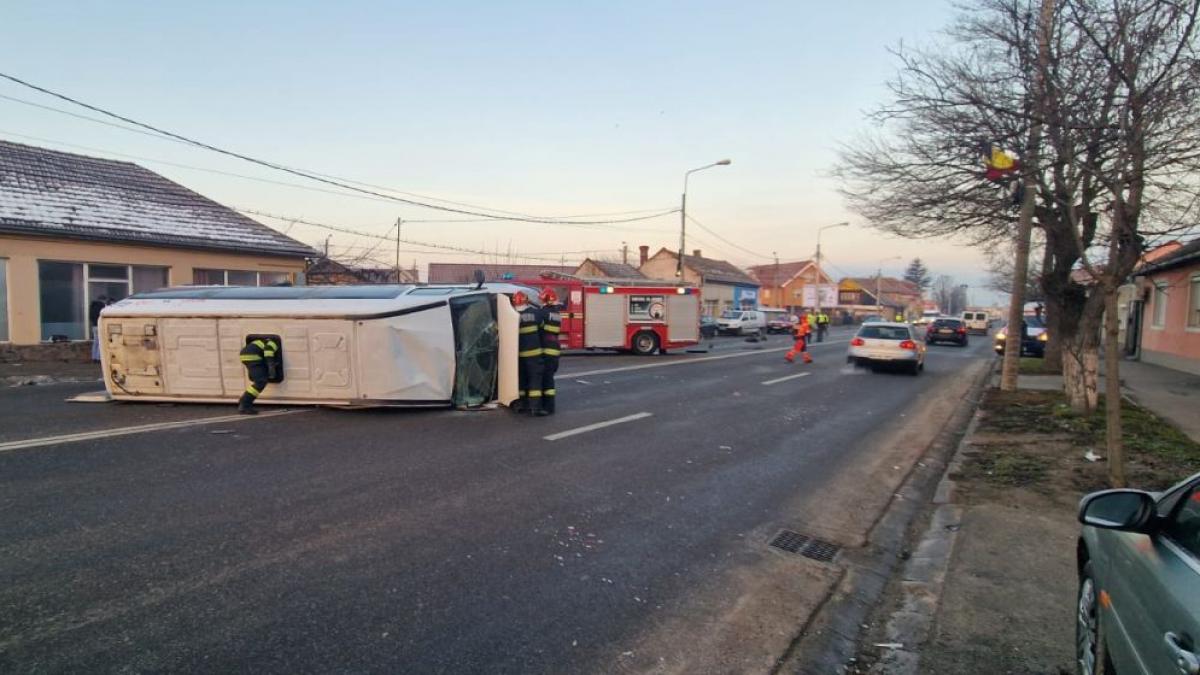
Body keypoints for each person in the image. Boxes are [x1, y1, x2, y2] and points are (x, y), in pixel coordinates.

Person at [513, 291, 544, 415]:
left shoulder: (511, 315)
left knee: (520, 380)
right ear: (526, 300)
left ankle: (519, 405)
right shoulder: (535, 313)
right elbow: (542, 327)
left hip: (517, 356)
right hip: (534, 354)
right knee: (534, 380)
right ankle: (535, 408)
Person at [538, 288, 563, 416]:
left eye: (541, 299)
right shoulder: (556, 314)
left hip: (547, 349)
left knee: (546, 380)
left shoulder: (543, 313)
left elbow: (537, 327)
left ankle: (548, 408)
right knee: (549, 378)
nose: (540, 301)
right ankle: (549, 406)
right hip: (554, 349)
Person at [237, 336, 279, 414]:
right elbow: (268, 353)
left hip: (246, 355)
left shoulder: (263, 342)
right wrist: (271, 369)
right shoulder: (273, 343)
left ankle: (244, 403)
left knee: (259, 380)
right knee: (261, 382)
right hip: (253, 356)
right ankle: (245, 404)